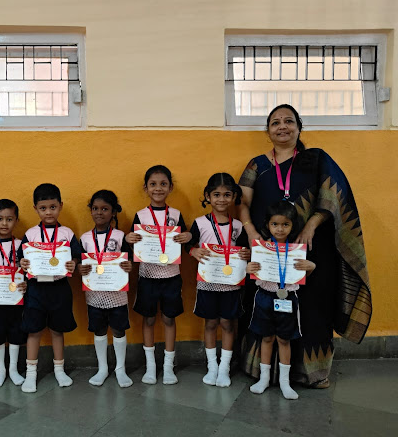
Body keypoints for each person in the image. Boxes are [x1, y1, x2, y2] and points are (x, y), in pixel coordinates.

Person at [237, 104, 372, 388]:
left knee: (312, 310)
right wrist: (249, 231)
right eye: (275, 122)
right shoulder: (256, 165)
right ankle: (263, 373)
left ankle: (312, 373)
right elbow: (243, 202)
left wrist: (311, 224)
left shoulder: (317, 159)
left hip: (309, 251)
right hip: (268, 252)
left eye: (289, 121)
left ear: (299, 127)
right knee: (263, 309)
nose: (282, 127)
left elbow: (334, 198)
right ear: (268, 130)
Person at [125, 165, 191, 385]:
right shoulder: (141, 216)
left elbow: (183, 242)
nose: (158, 188)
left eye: (163, 184)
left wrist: (186, 237)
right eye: (153, 184)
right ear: (146, 188)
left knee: (169, 319)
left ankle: (169, 367)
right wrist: (130, 240)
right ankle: (151, 366)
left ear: (170, 187)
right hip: (148, 276)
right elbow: (135, 247)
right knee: (149, 319)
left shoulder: (177, 215)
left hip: (172, 276)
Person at [246, 200, 316, 399]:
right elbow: (252, 270)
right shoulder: (262, 248)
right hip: (264, 297)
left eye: (285, 224)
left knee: (284, 340)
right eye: (275, 224)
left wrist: (311, 267)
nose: (279, 229)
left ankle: (285, 383)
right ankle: (264, 379)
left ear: (293, 225)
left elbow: (300, 276)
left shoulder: (296, 250)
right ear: (267, 225)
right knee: (266, 338)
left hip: (288, 299)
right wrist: (248, 268)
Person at [186, 173, 250, 388]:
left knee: (227, 323)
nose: (221, 199)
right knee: (211, 322)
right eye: (216, 195)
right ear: (207, 196)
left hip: (231, 284)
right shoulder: (199, 223)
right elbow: (189, 245)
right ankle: (212, 366)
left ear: (233, 197)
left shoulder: (239, 226)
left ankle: (224, 368)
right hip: (207, 283)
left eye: (226, 195)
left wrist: (247, 255)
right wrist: (193, 251)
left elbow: (245, 252)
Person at [17, 183, 81, 393]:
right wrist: (23, 264)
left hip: (60, 288)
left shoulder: (67, 233)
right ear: (35, 208)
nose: (48, 212)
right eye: (43, 208)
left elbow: (76, 258)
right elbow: (21, 260)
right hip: (35, 289)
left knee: (57, 330)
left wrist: (73, 263)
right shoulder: (31, 234)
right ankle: (31, 373)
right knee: (33, 332)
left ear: (60, 206)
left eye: (53, 207)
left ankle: (59, 369)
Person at [78, 190, 134, 388]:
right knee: (99, 329)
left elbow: (129, 262)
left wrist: (129, 266)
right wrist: (80, 268)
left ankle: (120, 369)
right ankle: (102, 368)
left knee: (118, 329)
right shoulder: (84, 238)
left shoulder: (121, 237)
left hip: (117, 294)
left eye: (105, 209)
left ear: (113, 212)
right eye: (95, 208)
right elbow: (79, 263)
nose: (99, 212)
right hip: (94, 295)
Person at [0, 199, 28, 388]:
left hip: (17, 298)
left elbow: (30, 270)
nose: (4, 223)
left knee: (16, 332)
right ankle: (1, 370)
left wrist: (27, 283)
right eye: (0, 219)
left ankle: (13, 369)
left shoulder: (22, 245)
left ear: (16, 221)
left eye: (9, 219)